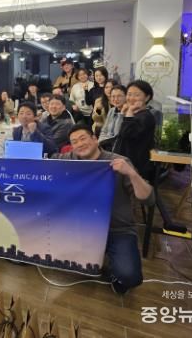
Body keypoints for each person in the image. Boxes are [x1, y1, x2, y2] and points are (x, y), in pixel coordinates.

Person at [54, 124, 154, 294]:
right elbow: (47, 163)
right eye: (74, 142)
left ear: (95, 139)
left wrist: (132, 173)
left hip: (117, 229)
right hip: (81, 227)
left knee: (129, 276)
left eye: (83, 138)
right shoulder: (70, 159)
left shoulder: (118, 161)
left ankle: (111, 263)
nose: (79, 144)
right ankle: (99, 256)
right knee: (66, 261)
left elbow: (149, 200)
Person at [113, 80, 156, 179]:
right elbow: (118, 133)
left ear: (147, 97)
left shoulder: (146, 117)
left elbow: (127, 134)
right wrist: (124, 114)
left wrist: (129, 112)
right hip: (125, 163)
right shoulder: (135, 114)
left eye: (136, 95)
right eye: (129, 94)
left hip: (135, 167)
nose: (131, 98)